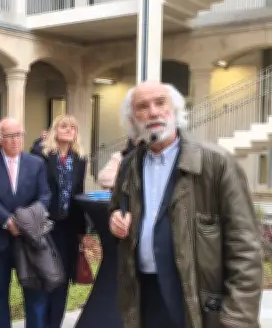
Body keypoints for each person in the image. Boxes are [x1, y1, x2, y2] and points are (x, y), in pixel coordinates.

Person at [109, 81, 262, 328]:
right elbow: (117, 206)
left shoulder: (216, 163)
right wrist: (115, 218)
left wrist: (238, 319)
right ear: (132, 119)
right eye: (143, 107)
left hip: (196, 301)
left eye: (160, 103)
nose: (153, 112)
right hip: (145, 297)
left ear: (176, 110)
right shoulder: (129, 166)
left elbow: (245, 247)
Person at [0, 118, 50, 328]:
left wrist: (26, 221)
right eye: (10, 136)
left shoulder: (36, 163)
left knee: (34, 293)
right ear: (0, 138)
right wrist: (7, 221)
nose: (16, 140)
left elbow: (44, 196)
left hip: (29, 240)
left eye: (19, 135)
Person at [34, 115, 88, 328]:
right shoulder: (42, 155)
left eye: (72, 127)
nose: (68, 130)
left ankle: (55, 323)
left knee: (63, 279)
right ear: (55, 130)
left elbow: (79, 193)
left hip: (68, 227)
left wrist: (82, 232)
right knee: (45, 277)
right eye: (63, 126)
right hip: (46, 226)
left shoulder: (80, 159)